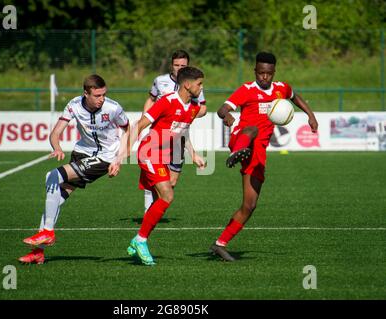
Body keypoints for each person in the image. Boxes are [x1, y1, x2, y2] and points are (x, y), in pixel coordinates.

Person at [210, 52, 319, 262]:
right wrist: (228, 115)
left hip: (258, 152)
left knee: (249, 205)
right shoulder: (247, 89)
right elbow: (222, 109)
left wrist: (311, 115)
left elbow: (294, 96)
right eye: (260, 73)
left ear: (273, 72)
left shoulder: (281, 88)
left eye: (268, 73)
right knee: (252, 129)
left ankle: (219, 244)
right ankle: (236, 153)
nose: (264, 77)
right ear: (255, 71)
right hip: (241, 136)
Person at [18, 74, 129, 264]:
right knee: (54, 200)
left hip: (104, 158)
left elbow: (128, 129)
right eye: (97, 95)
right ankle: (38, 252)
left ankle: (48, 233)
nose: (102, 99)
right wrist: (57, 147)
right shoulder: (74, 105)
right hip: (81, 153)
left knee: (52, 176)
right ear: (86, 93)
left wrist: (119, 159)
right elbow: (55, 133)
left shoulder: (113, 108)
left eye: (104, 94)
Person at [127, 66, 206, 265]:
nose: (201, 87)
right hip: (149, 153)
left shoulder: (193, 108)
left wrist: (193, 154)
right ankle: (140, 240)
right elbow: (141, 124)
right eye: (199, 84)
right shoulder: (167, 101)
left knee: (158, 202)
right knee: (168, 195)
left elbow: (182, 133)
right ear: (187, 85)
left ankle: (138, 240)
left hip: (164, 156)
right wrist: (122, 153)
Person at [141, 49, 207, 214]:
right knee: (158, 180)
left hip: (179, 137)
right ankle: (149, 211)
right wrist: (146, 119)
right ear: (172, 65)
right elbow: (151, 99)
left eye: (182, 65)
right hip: (160, 136)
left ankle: (155, 209)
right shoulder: (160, 81)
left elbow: (203, 108)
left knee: (172, 181)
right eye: (176, 65)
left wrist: (186, 114)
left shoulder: (194, 85)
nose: (179, 68)